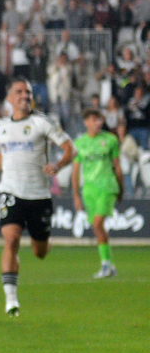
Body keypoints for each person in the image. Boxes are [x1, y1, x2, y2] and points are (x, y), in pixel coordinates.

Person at [0, 79, 75, 316]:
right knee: (10, 239)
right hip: (11, 191)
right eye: (19, 92)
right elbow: (6, 155)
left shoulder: (41, 122)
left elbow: (69, 148)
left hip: (39, 195)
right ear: (10, 99)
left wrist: (59, 165)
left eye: (28, 92)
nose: (24, 95)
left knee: (39, 252)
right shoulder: (1, 126)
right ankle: (11, 299)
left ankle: (44, 242)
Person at [72, 109, 123, 278]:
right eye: (94, 120)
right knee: (97, 227)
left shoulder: (110, 140)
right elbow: (75, 171)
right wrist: (76, 195)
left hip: (107, 186)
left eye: (99, 120)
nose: (98, 123)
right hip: (89, 190)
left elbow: (117, 166)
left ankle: (106, 265)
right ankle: (109, 264)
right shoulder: (79, 143)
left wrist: (121, 188)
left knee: (97, 223)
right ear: (86, 122)